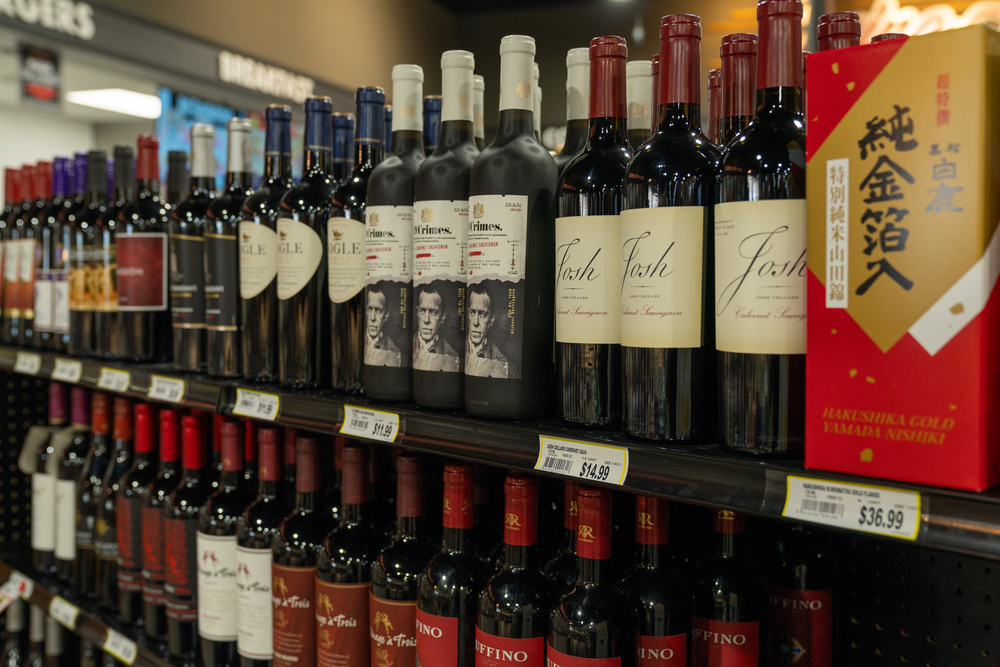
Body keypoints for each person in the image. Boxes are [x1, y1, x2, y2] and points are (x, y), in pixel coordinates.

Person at [465, 283, 511, 378]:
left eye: (482, 314)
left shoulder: (504, 365)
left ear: (491, 319)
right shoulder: (456, 353)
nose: (475, 322)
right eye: (472, 312)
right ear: (468, 314)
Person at [413, 286, 460, 372]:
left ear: (442, 317)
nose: (426, 320)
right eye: (422, 311)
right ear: (417, 313)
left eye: (433, 312)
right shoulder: (404, 351)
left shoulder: (452, 357)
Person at [365, 285, 402, 366]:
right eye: (370, 309)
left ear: (386, 315)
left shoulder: (394, 351)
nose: (372, 318)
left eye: (378, 310)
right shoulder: (355, 342)